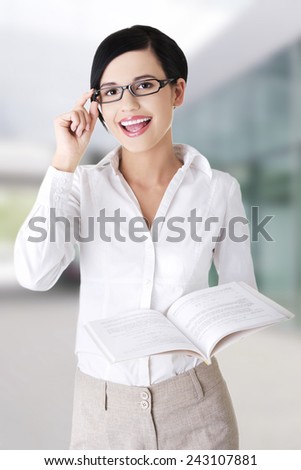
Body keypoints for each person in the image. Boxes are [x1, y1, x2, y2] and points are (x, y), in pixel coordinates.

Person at [14, 25, 257, 450]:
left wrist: (195, 325)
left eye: (144, 85)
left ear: (177, 91)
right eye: (110, 92)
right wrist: (63, 164)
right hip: (102, 411)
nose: (128, 104)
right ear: (96, 105)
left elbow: (241, 292)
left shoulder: (219, 189)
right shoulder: (79, 186)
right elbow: (35, 274)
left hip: (198, 407)